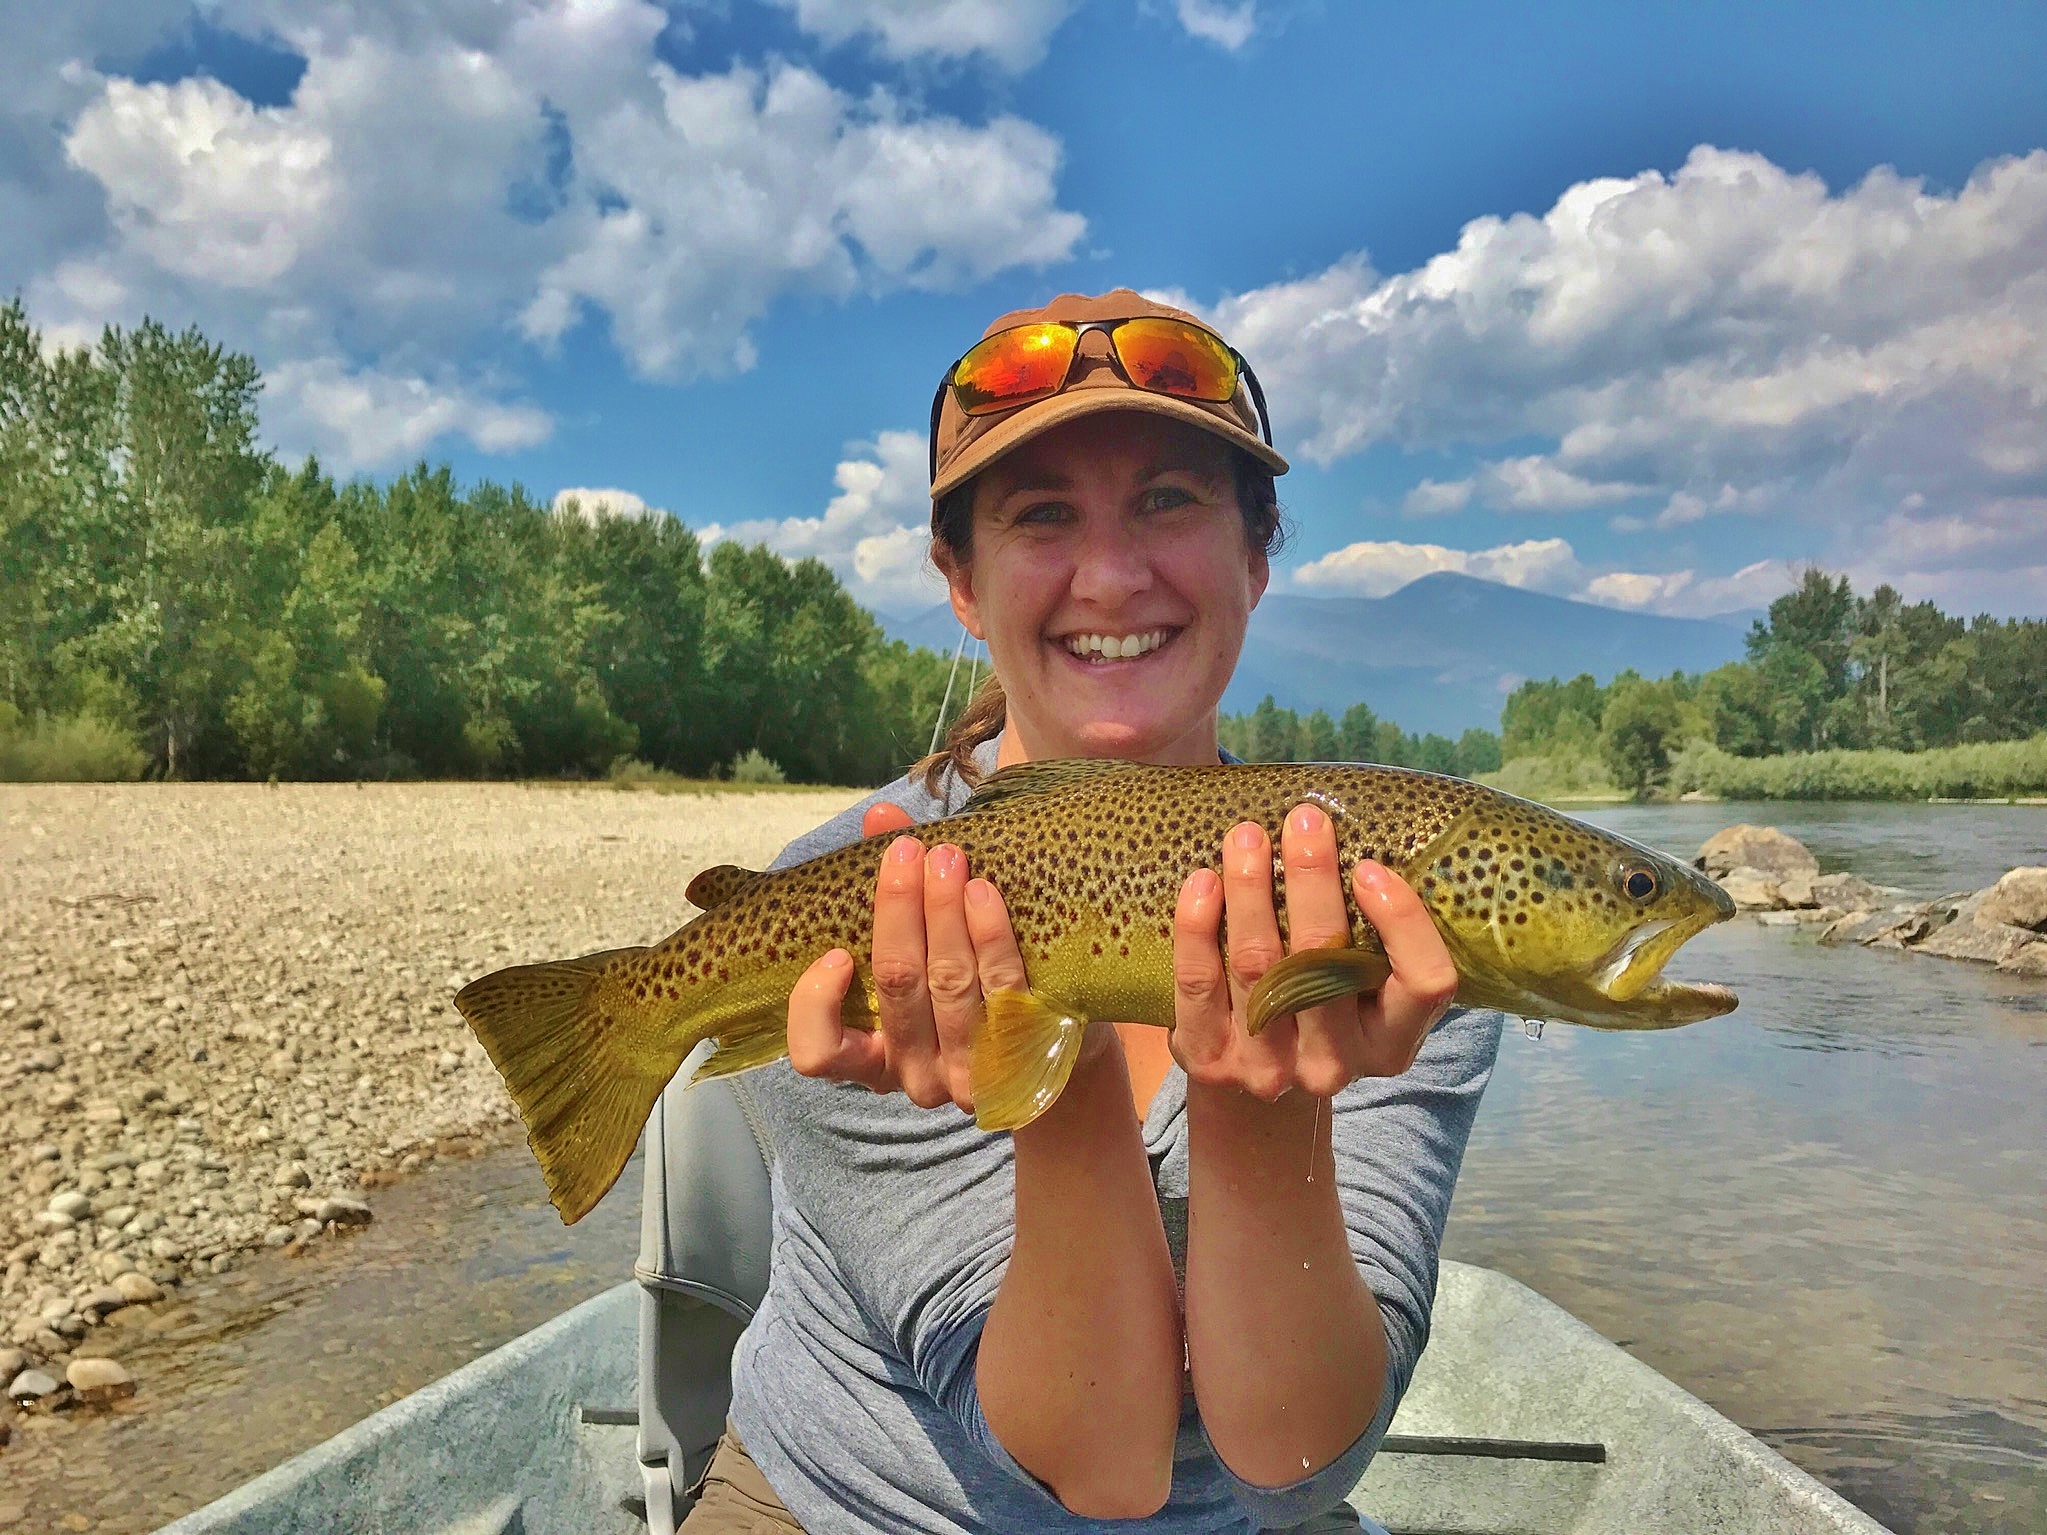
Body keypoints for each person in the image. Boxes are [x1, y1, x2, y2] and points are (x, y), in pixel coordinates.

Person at [676, 290, 1505, 1533]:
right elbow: (1093, 1465)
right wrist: (1047, 1078)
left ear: (1257, 553)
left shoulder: (1384, 908)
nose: (1112, 577)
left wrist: (1259, 1105)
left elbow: (1298, 1463)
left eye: (1168, 500)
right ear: (959, 580)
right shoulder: (864, 900)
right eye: (1042, 516)